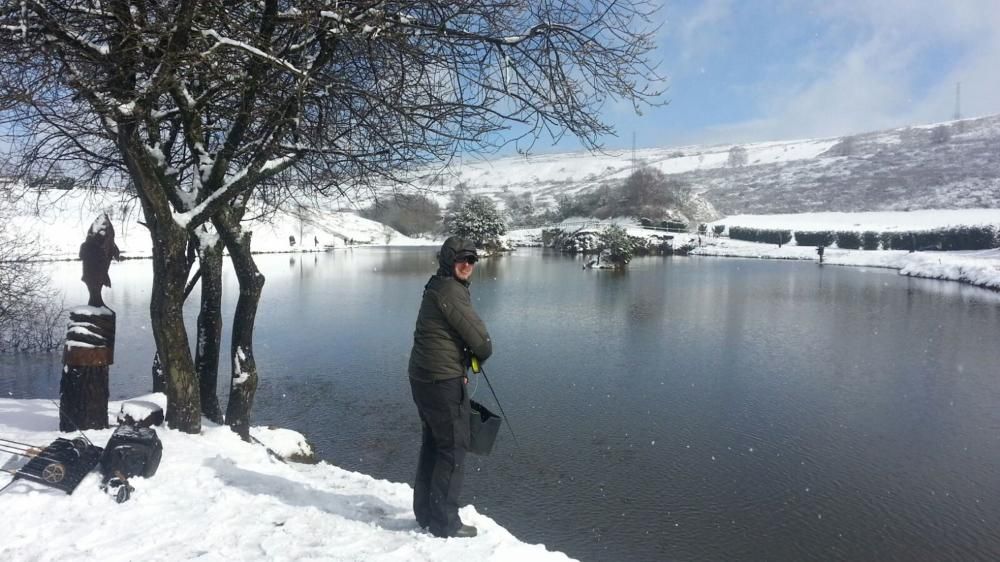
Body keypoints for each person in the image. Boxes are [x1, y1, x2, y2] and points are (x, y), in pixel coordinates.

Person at [408, 236, 493, 538]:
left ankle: (426, 513)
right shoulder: (450, 291)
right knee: (454, 449)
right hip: (441, 382)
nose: (467, 265)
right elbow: (482, 343)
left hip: (424, 377)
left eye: (472, 260)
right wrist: (473, 355)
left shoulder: (436, 285)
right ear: (448, 260)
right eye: (461, 259)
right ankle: (445, 523)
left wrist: (461, 360)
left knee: (434, 443)